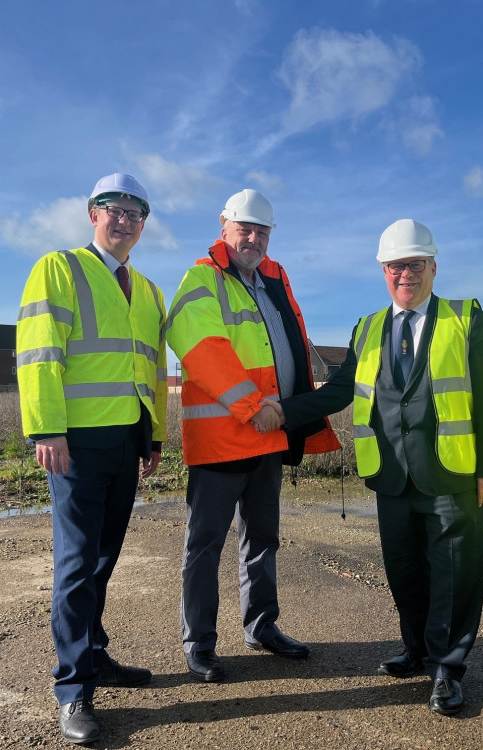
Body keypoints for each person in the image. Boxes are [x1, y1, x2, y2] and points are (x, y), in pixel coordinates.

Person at [273, 219, 483, 716]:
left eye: (415, 264)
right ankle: (417, 650)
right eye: (397, 266)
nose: (406, 274)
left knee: (454, 573)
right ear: (383, 271)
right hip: (391, 475)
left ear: (433, 267)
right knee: (404, 571)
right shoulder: (368, 326)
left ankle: (447, 668)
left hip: (452, 472)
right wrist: (283, 413)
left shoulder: (465, 317)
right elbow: (340, 391)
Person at [16, 172, 168, 744]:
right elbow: (37, 353)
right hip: (75, 441)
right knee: (77, 563)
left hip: (127, 440)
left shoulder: (149, 291)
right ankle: (74, 690)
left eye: (136, 211)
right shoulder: (60, 267)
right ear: (92, 213)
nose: (125, 219)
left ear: (144, 223)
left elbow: (151, 368)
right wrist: (47, 429)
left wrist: (153, 437)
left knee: (103, 558)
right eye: (114, 208)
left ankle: (95, 655)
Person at [165, 189, 340, 683]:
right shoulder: (202, 278)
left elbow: (292, 349)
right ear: (224, 226)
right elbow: (202, 347)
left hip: (270, 437)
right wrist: (252, 407)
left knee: (262, 540)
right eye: (245, 227)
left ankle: (262, 626)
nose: (253, 237)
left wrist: (292, 416)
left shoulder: (274, 279)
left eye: (262, 230)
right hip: (225, 438)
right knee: (205, 546)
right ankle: (198, 644)